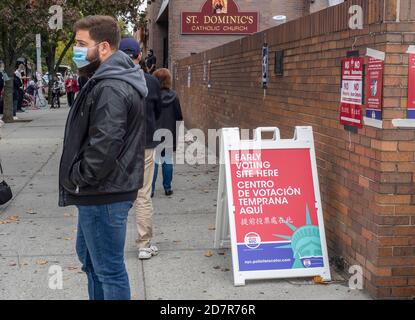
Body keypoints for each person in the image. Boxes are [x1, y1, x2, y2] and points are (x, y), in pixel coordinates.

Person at [58, 15, 148, 300]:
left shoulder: (110, 87)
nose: (77, 51)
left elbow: (104, 145)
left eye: (82, 44)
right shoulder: (105, 80)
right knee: (92, 264)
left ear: (105, 47)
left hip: (103, 193)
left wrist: (78, 176)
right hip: (100, 192)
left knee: (108, 271)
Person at [119, 37, 162, 260]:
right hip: (145, 143)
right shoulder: (151, 82)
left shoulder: (113, 81)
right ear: (138, 56)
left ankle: (112, 243)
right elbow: (157, 111)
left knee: (117, 194)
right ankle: (144, 243)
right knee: (143, 194)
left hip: (119, 146)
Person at [152, 68, 183, 197]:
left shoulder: (151, 96)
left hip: (153, 133)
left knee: (153, 162)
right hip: (169, 133)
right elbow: (179, 116)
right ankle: (167, 188)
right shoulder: (174, 96)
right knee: (167, 160)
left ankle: (151, 190)